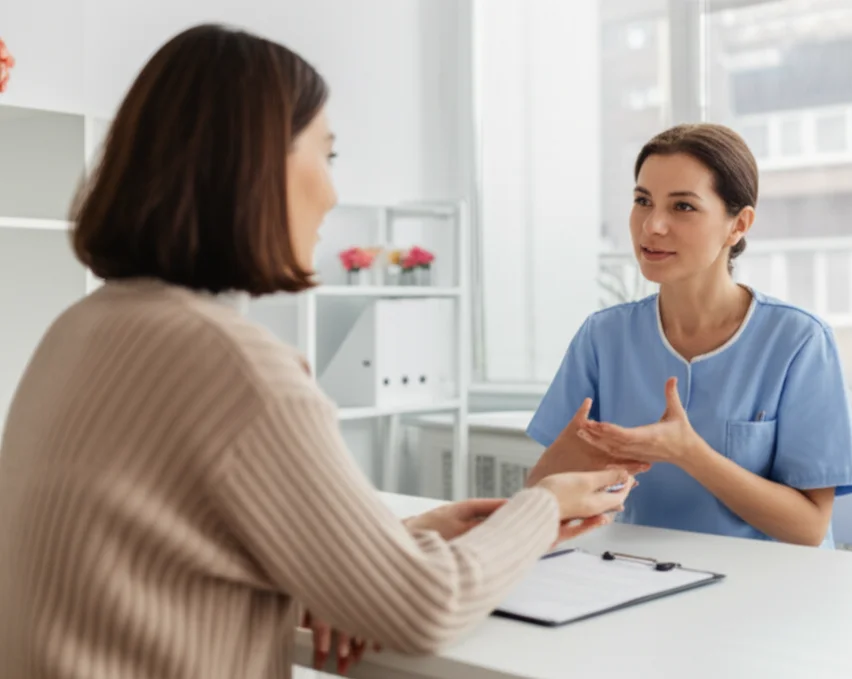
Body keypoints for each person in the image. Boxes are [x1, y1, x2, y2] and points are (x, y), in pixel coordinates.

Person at [0, 24, 634, 679]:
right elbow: (423, 608)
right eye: (326, 156)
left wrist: (412, 537)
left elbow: (160, 561)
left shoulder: (79, 329)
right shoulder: (235, 365)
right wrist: (544, 505)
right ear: (255, 160)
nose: (332, 194)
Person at [525, 123, 852, 549]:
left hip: (768, 591)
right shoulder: (604, 336)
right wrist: (578, 464)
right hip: (638, 575)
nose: (653, 225)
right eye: (642, 201)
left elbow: (809, 528)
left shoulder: (798, 341)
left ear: (737, 225)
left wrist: (689, 453)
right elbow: (538, 496)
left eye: (683, 206)